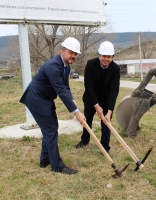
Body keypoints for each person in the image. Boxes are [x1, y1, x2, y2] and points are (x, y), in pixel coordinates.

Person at [20, 37, 86, 175]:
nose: (73, 56)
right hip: (36, 99)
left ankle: (45, 160)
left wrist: (72, 101)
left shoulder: (66, 67)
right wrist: (77, 113)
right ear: (62, 51)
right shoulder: (53, 66)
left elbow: (66, 88)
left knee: (51, 128)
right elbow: (60, 91)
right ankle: (57, 166)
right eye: (71, 52)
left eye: (75, 54)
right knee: (50, 130)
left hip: (46, 99)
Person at [74, 41, 120, 152]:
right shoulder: (90, 64)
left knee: (106, 122)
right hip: (91, 98)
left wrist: (109, 111)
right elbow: (88, 86)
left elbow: (114, 90)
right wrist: (96, 105)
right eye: (104, 56)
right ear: (99, 55)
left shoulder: (116, 68)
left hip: (106, 99)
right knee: (87, 119)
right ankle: (84, 140)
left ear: (112, 57)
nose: (106, 59)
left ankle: (105, 146)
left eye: (109, 57)